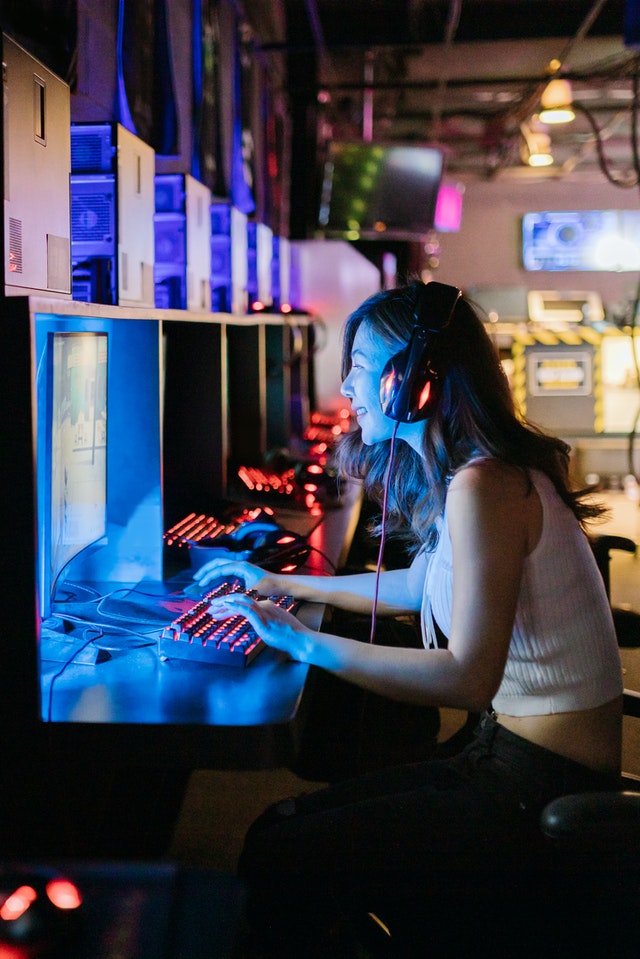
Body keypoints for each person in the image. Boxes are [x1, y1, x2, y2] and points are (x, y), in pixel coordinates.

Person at [195, 280, 623, 956]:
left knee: (283, 848)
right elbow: (422, 585)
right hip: (505, 754)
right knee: (284, 830)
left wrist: (304, 642)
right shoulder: (476, 474)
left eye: (361, 369)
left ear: (414, 383)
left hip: (539, 782)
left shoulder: (487, 486)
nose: (350, 391)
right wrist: (280, 580)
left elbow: (467, 676)